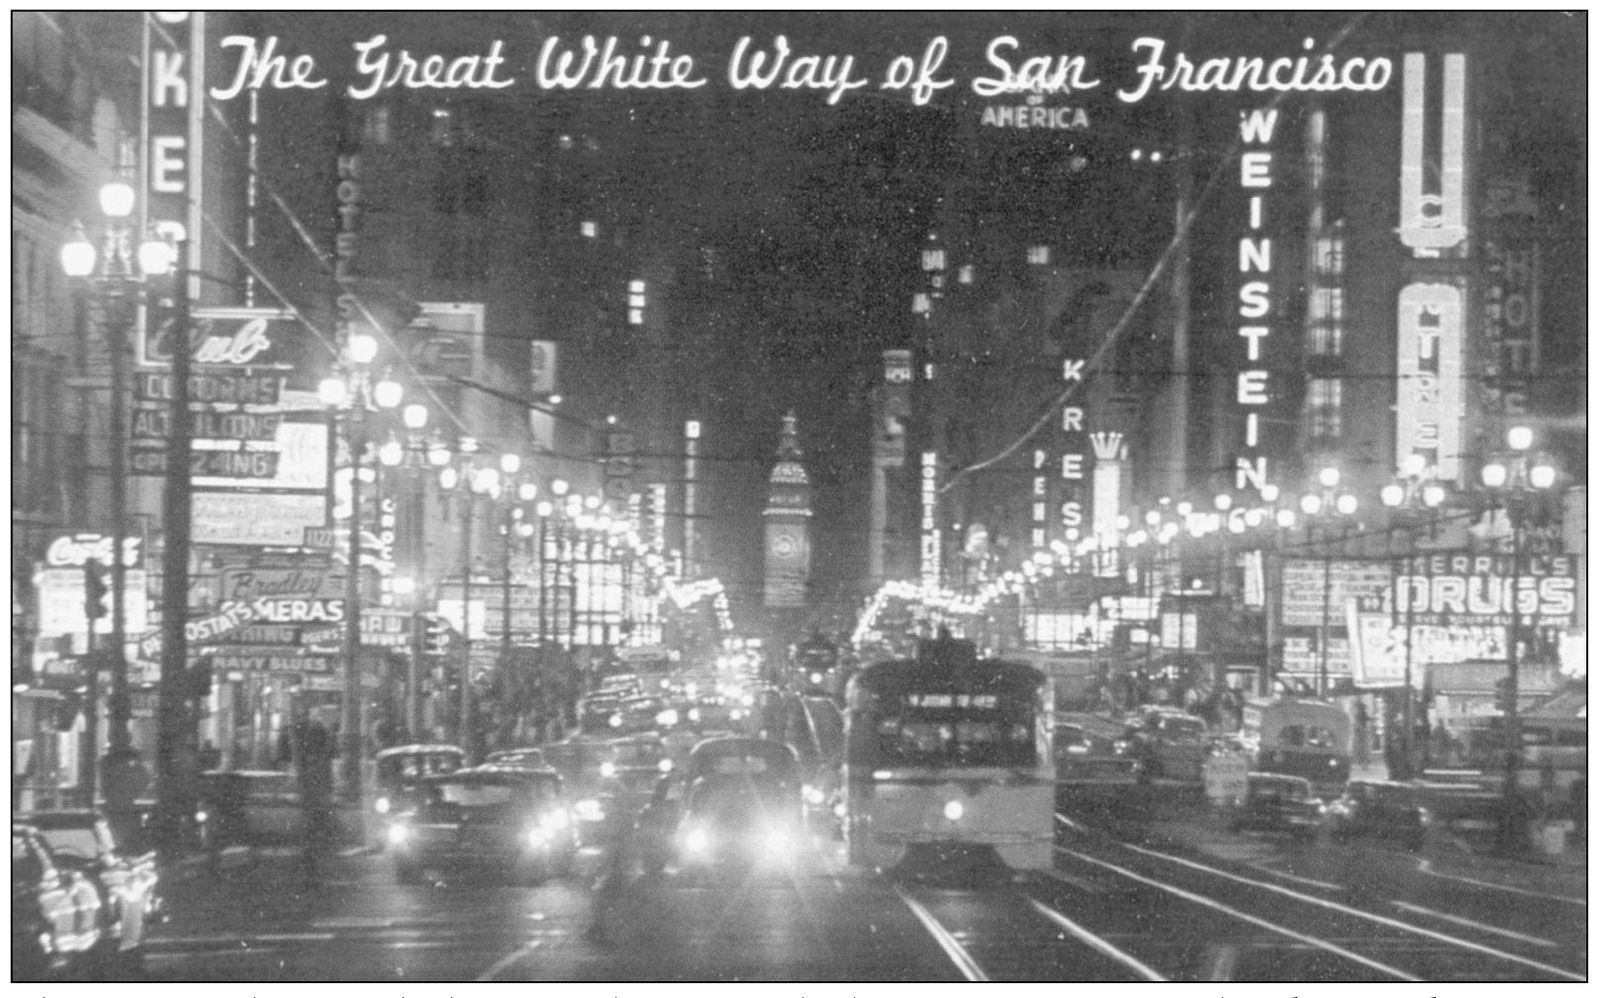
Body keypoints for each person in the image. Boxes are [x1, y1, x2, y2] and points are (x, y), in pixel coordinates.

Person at [294, 717, 337, 885]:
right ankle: (314, 871)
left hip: (313, 803)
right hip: (318, 803)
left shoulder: (311, 759)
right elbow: (326, 781)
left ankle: (312, 871)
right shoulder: (321, 759)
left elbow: (307, 780)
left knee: (312, 838)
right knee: (318, 837)